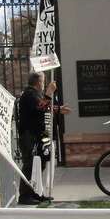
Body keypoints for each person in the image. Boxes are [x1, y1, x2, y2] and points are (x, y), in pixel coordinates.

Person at [17, 72, 71, 205]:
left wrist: (58, 109)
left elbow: (44, 107)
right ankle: (24, 195)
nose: (44, 84)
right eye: (43, 81)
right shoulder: (29, 94)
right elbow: (39, 107)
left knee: (39, 164)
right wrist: (49, 92)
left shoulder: (35, 94)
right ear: (37, 82)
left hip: (38, 135)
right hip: (29, 136)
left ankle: (36, 192)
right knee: (30, 165)